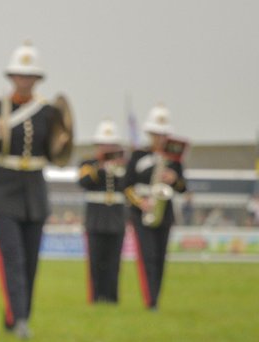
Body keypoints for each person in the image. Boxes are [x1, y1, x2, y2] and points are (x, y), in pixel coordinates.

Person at [0, 41, 68, 339]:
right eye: (20, 75)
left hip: (34, 193)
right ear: (12, 77)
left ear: (37, 79)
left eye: (30, 76)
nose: (25, 81)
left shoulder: (48, 112)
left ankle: (16, 316)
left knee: (30, 262)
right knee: (12, 258)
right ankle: (21, 319)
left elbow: (56, 156)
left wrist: (63, 141)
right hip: (2, 192)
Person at [124, 104, 186, 310]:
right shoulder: (138, 155)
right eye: (156, 134)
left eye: (163, 134)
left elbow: (183, 187)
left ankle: (156, 298)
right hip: (142, 211)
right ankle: (150, 300)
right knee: (148, 256)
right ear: (149, 133)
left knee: (160, 257)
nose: (160, 138)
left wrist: (173, 178)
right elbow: (127, 186)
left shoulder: (174, 159)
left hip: (164, 211)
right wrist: (140, 202)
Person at [78, 119, 127, 303]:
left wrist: (118, 169)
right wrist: (100, 168)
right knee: (96, 261)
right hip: (95, 218)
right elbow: (83, 183)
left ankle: (112, 297)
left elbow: (127, 188)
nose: (107, 148)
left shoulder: (123, 165)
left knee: (114, 262)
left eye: (111, 144)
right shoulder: (88, 163)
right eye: (104, 144)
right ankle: (96, 297)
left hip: (116, 218)